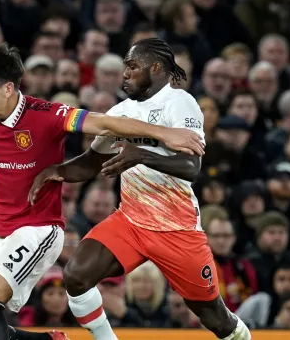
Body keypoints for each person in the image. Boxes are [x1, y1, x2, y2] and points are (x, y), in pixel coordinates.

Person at [0, 43, 205, 340]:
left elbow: (103, 123)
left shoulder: (46, 116)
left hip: (38, 228)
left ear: (7, 88)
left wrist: (165, 133)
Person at [29, 38, 251, 340]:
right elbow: (92, 162)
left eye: (132, 67)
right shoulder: (120, 111)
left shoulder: (180, 103)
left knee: (216, 319)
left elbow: (191, 168)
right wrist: (55, 171)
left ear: (156, 68)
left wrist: (142, 155)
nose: (125, 74)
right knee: (76, 276)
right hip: (131, 221)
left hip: (177, 229)